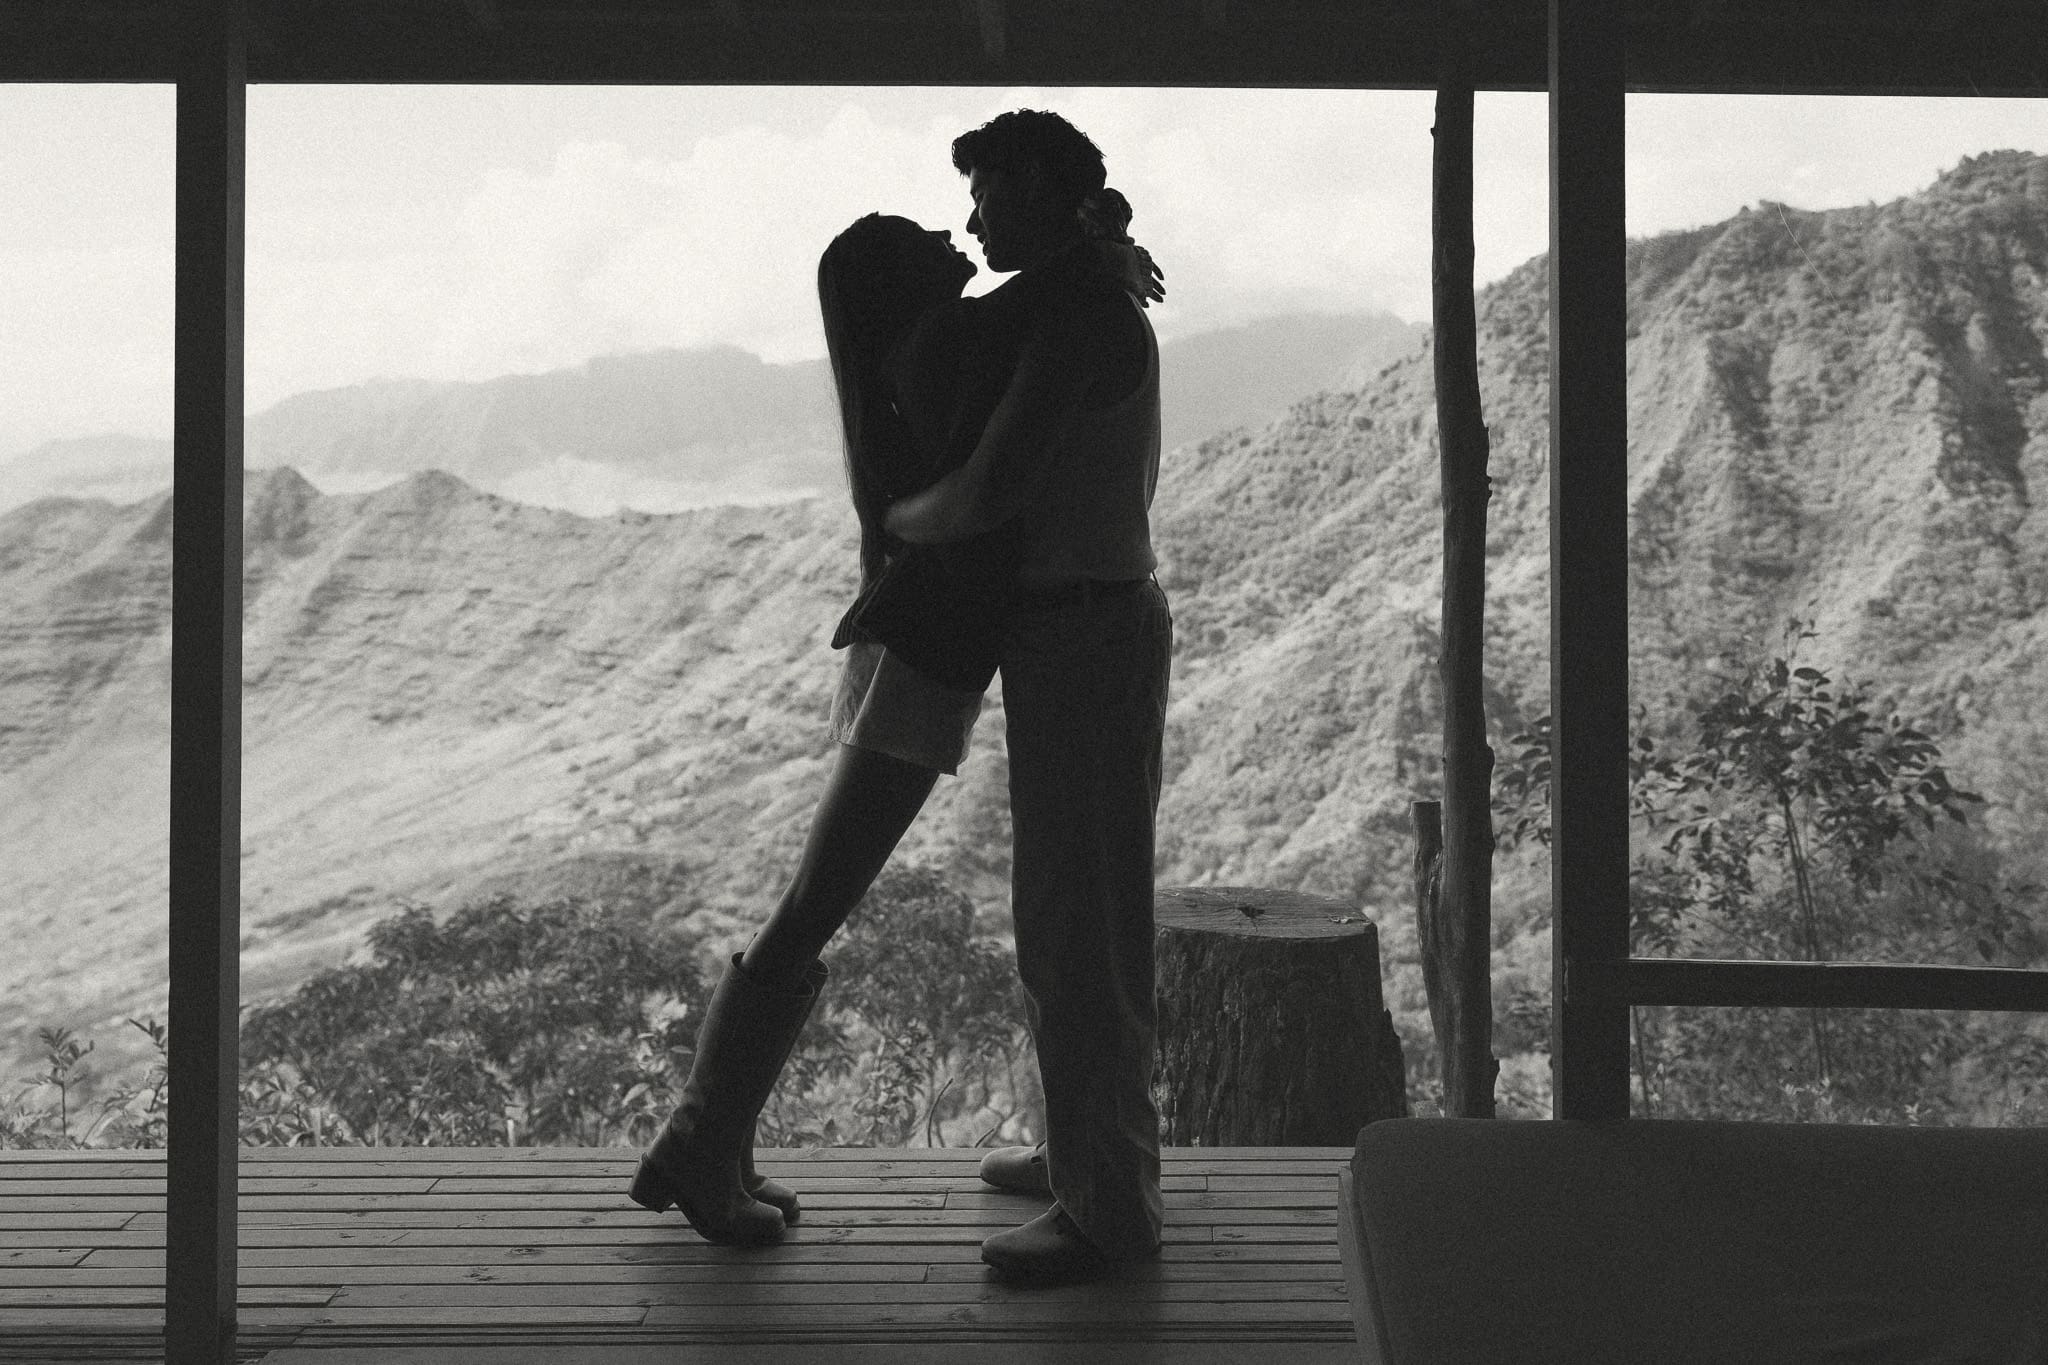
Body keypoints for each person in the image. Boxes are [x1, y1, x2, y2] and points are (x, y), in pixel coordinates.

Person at [628, 198, 1161, 1249]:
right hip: (923, 651)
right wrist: (1095, 251)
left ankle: (713, 1145)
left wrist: (1096, 244)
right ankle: (698, 1143)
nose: (951, 235)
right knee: (813, 902)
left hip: (922, 643)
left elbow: (1029, 309)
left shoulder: (928, 342)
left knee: (814, 902)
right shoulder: (941, 345)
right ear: (899, 285)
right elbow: (1031, 319)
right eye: (923, 239)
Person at [886, 110, 1173, 1285]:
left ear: (1052, 196)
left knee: (1080, 921)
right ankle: (1082, 1153)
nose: (970, 222)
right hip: (1080, 632)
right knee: (1071, 908)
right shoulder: (1076, 298)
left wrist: (891, 524)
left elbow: (991, 489)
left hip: (1085, 632)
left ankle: (1107, 1209)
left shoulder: (1080, 318)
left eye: (991, 199)